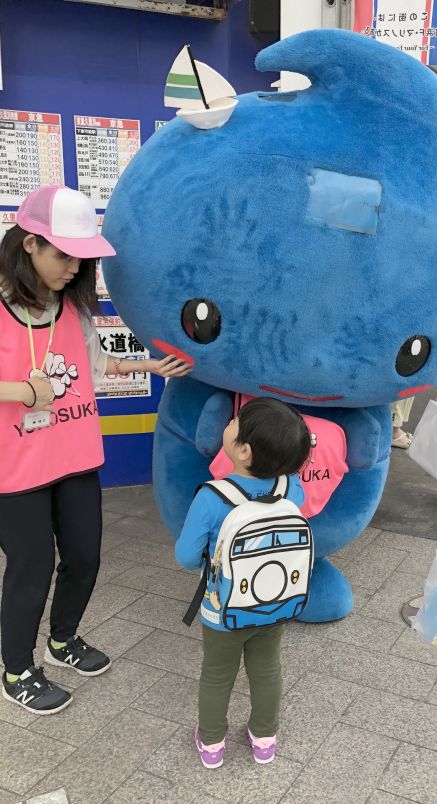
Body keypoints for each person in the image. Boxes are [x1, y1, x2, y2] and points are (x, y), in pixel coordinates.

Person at [0, 185, 191, 715]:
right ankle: (17, 668)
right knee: (31, 566)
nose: (73, 268)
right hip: (13, 468)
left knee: (84, 555)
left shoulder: (70, 308)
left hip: (74, 455)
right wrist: (20, 391)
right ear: (30, 244)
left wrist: (148, 367)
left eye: (80, 259)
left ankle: (63, 641)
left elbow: (95, 363)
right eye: (64, 255)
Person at [175, 397, 311, 769]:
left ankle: (213, 743)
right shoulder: (291, 487)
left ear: (244, 450)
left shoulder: (212, 496)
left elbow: (186, 557)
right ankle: (264, 738)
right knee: (267, 669)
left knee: (218, 675)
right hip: (277, 602)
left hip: (223, 610)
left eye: (236, 420)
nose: (230, 421)